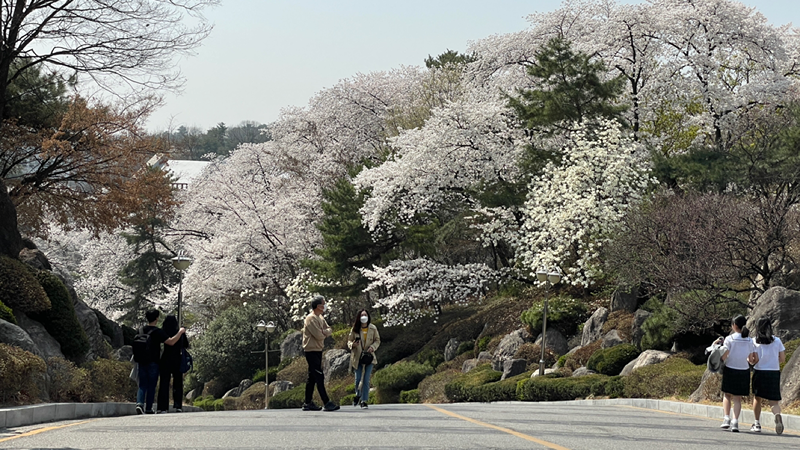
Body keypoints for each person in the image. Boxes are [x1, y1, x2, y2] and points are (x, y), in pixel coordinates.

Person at [136, 310, 186, 415]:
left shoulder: (141, 330)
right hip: (162, 360)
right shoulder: (158, 332)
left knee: (148, 384)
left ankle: (148, 405)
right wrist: (181, 332)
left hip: (153, 360)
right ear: (156, 318)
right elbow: (173, 342)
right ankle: (152, 408)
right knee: (154, 385)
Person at [715, 315, 756, 432]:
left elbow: (724, 355)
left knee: (727, 395)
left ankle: (726, 418)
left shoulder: (730, 339)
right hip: (744, 370)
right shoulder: (749, 340)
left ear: (734, 325)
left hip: (730, 368)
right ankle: (735, 422)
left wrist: (718, 359)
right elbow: (751, 358)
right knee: (738, 398)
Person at [302, 295, 339, 411]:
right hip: (311, 350)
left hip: (318, 349)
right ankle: (326, 402)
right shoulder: (310, 318)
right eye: (323, 303)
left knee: (312, 377)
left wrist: (324, 332)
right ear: (318, 306)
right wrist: (324, 333)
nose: (325, 305)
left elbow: (329, 330)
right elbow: (318, 335)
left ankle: (307, 402)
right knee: (319, 375)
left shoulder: (320, 317)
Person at [750, 317, 786, 435]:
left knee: (757, 398)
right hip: (774, 372)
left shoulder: (754, 341)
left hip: (759, 371)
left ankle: (757, 423)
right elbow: (782, 359)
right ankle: (777, 415)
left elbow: (753, 360)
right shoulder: (777, 341)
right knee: (774, 402)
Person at [347, 309, 380, 409]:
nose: (364, 317)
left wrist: (373, 347)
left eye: (365, 315)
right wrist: (353, 344)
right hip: (357, 357)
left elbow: (377, 340)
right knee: (357, 380)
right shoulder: (355, 329)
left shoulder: (373, 328)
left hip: (369, 357)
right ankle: (358, 395)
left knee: (366, 380)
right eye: (362, 315)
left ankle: (364, 400)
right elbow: (349, 340)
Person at [157, 314, 189, 413]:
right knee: (178, 383)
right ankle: (178, 405)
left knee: (164, 383)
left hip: (165, 359)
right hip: (177, 359)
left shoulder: (163, 332)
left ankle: (162, 407)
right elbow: (186, 345)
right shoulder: (180, 332)